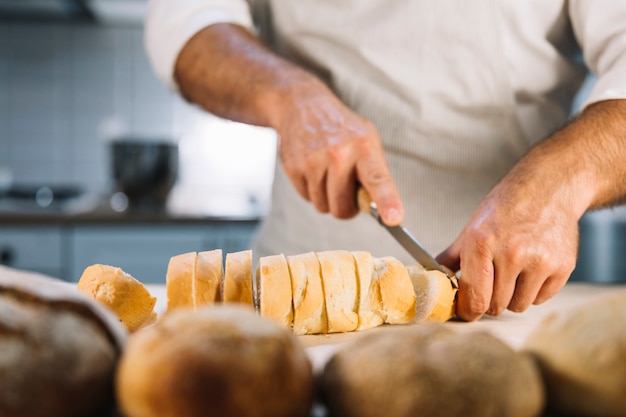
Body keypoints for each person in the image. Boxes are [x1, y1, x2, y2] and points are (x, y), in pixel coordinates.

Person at [144, 1, 626, 321]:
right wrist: (288, 96)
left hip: (510, 303)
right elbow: (187, 18)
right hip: (291, 290)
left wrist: (562, 181)